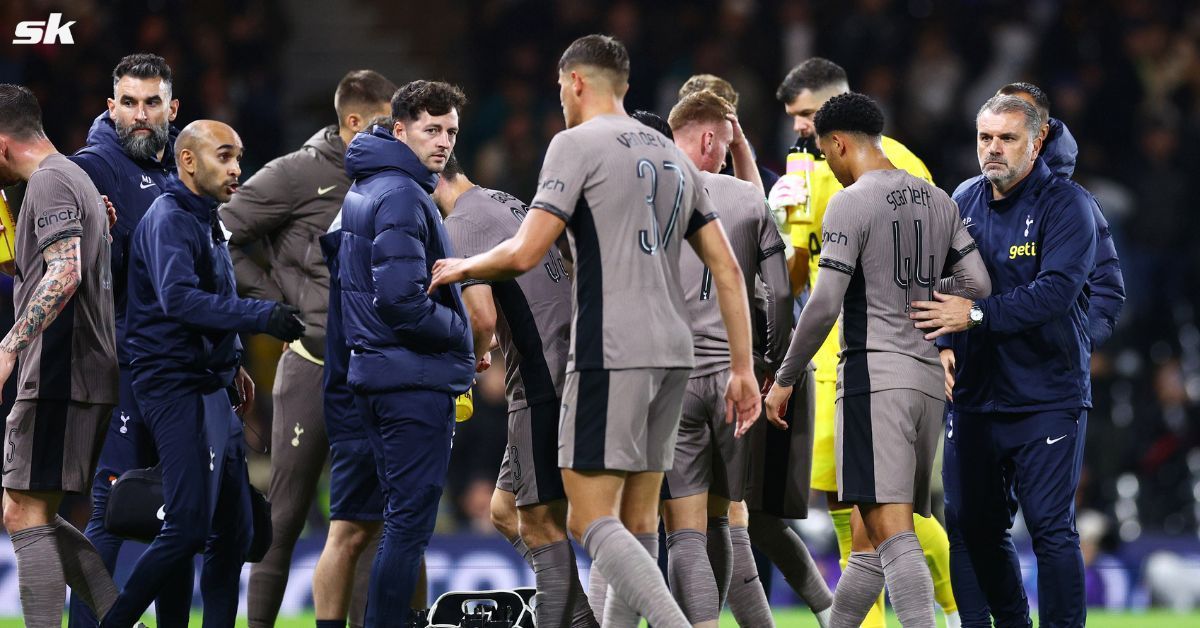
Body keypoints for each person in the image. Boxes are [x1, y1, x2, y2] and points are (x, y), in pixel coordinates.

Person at [428, 34, 761, 628]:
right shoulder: (670, 155)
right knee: (638, 525)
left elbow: (527, 251)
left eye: (560, 86)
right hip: (675, 357)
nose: (559, 96)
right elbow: (728, 269)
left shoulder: (573, 145)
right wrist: (741, 368)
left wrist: (464, 266)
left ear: (576, 81)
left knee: (587, 519)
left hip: (610, 348)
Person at [763, 92, 990, 628]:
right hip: (927, 381)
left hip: (873, 382)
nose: (829, 165)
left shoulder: (852, 200)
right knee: (867, 540)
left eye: (825, 153)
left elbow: (821, 304)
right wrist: (929, 301)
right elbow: (978, 283)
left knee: (892, 535)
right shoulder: (939, 201)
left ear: (839, 143)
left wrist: (785, 380)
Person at [100, 120, 306, 628]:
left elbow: (216, 291)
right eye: (225, 156)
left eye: (239, 157)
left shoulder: (205, 216)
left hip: (209, 385)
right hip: (176, 387)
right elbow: (180, 299)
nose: (237, 168)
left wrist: (232, 360)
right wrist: (261, 318)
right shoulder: (170, 217)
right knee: (188, 528)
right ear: (188, 161)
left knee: (235, 533)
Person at [942, 82, 1126, 627]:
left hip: (1046, 396)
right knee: (971, 526)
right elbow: (946, 285)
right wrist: (946, 347)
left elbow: (1057, 292)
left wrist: (974, 318)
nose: (992, 148)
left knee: (1050, 528)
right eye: (984, 137)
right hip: (975, 394)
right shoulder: (963, 199)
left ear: (1037, 140)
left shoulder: (1068, 205)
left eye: (1006, 138)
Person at [219, 69, 395, 628]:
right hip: (314, 366)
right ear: (353, 121)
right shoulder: (296, 174)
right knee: (284, 520)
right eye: (386, 122)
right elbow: (221, 234)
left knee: (369, 523)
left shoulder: (393, 176)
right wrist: (273, 304)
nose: (399, 134)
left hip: (373, 370)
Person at [639, 95, 796, 628]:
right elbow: (777, 294)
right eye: (727, 146)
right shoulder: (750, 201)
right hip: (737, 379)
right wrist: (770, 365)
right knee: (726, 521)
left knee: (682, 530)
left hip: (671, 380)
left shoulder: (650, 194)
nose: (726, 155)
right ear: (710, 140)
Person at [436, 155, 596, 628]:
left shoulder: (461, 222)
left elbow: (482, 319)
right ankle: (586, 623)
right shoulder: (502, 201)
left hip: (540, 375)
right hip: (567, 358)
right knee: (505, 510)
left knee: (542, 525)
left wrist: (468, 359)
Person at [337, 80, 474, 627]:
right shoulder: (401, 193)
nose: (442, 142)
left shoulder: (372, 185)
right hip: (409, 383)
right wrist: (459, 332)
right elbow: (401, 302)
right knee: (408, 526)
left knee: (398, 522)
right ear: (400, 129)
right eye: (431, 129)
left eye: (451, 132)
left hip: (383, 374)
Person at [65, 52, 192, 628]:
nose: (141, 115)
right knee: (110, 508)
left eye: (152, 103)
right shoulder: (95, 167)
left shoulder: (176, 175)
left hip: (178, 367)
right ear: (110, 107)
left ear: (172, 108)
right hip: (121, 363)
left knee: (183, 513)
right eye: (130, 103)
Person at [0, 83, 120, 628]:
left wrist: (8, 347)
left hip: (58, 368)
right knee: (33, 512)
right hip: (76, 367)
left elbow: (65, 272)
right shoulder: (71, 179)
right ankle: (123, 620)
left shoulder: (50, 182)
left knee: (23, 513)